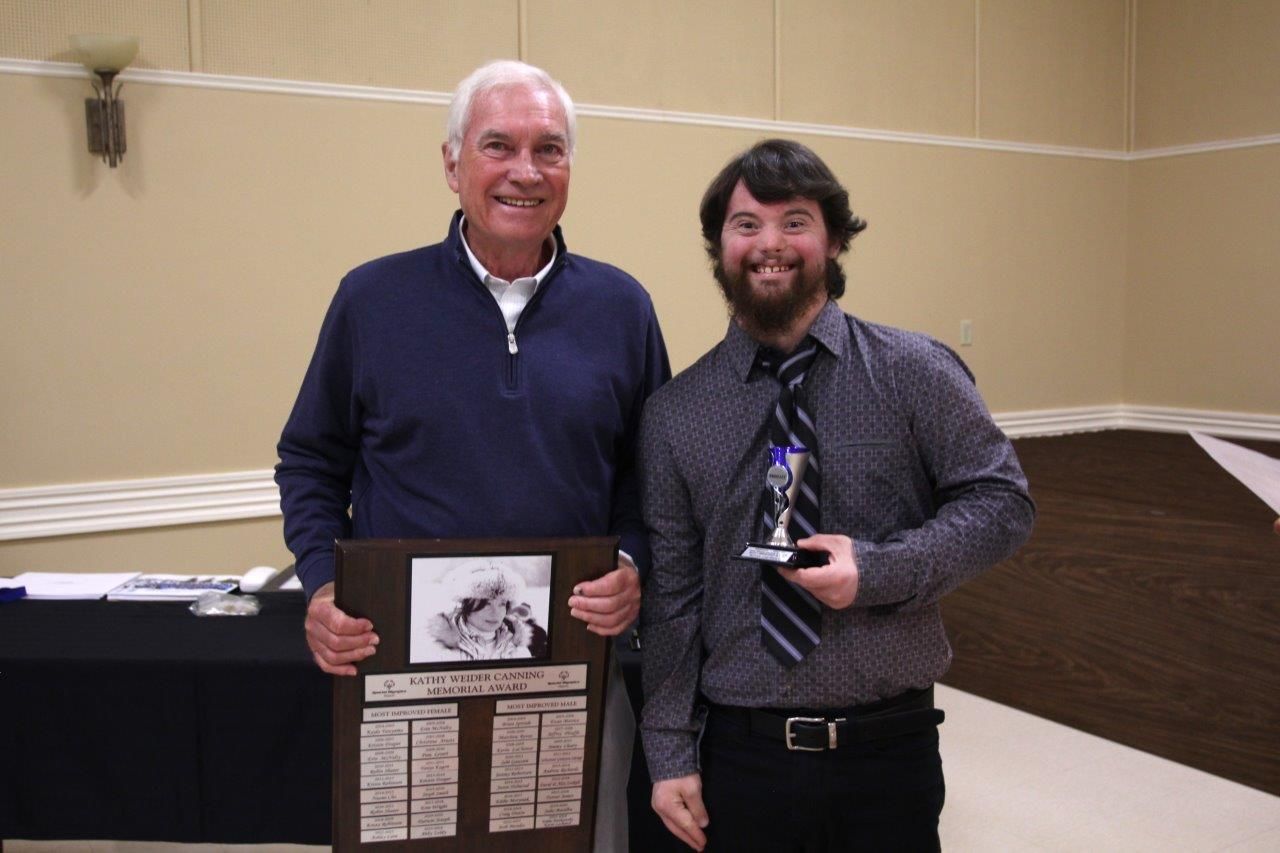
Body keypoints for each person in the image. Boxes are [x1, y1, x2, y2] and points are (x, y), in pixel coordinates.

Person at [275, 60, 670, 850]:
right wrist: (322, 582)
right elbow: (310, 461)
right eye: (499, 145)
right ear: (453, 163)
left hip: (568, 664)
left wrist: (633, 559)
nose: (525, 172)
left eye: (550, 150)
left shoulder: (622, 307)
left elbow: (652, 477)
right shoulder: (372, 299)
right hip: (402, 670)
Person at [638, 139, 1035, 852]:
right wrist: (668, 752)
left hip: (890, 748)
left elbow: (1003, 503)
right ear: (718, 244)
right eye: (746, 223)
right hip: (742, 755)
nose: (770, 244)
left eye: (795, 221)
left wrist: (879, 570)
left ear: (834, 239)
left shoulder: (916, 372)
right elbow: (673, 596)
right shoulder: (675, 412)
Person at [422, 560, 540, 661]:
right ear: (466, 605)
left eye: (502, 604)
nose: (495, 612)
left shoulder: (518, 651)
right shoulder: (441, 651)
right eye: (486, 603)